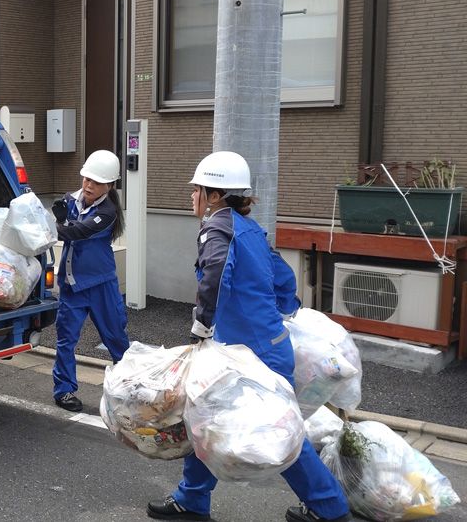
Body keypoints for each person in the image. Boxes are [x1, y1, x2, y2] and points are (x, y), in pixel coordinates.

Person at [146, 151, 350, 522]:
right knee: (203, 419)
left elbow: (216, 271)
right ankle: (192, 499)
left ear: (214, 196)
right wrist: (282, 310)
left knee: (282, 438)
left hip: (248, 357)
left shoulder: (217, 229)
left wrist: (202, 325)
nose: (191, 196)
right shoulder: (250, 229)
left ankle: (330, 508)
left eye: (197, 190)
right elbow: (283, 279)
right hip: (263, 347)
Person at [49, 150, 131, 412]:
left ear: (109, 185)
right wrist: (60, 221)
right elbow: (65, 227)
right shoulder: (70, 200)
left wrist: (59, 224)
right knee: (65, 340)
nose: (88, 185)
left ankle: (132, 390)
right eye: (86, 178)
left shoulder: (108, 211)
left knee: (116, 338)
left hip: (101, 283)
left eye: (96, 182)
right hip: (73, 284)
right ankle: (64, 391)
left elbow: (78, 232)